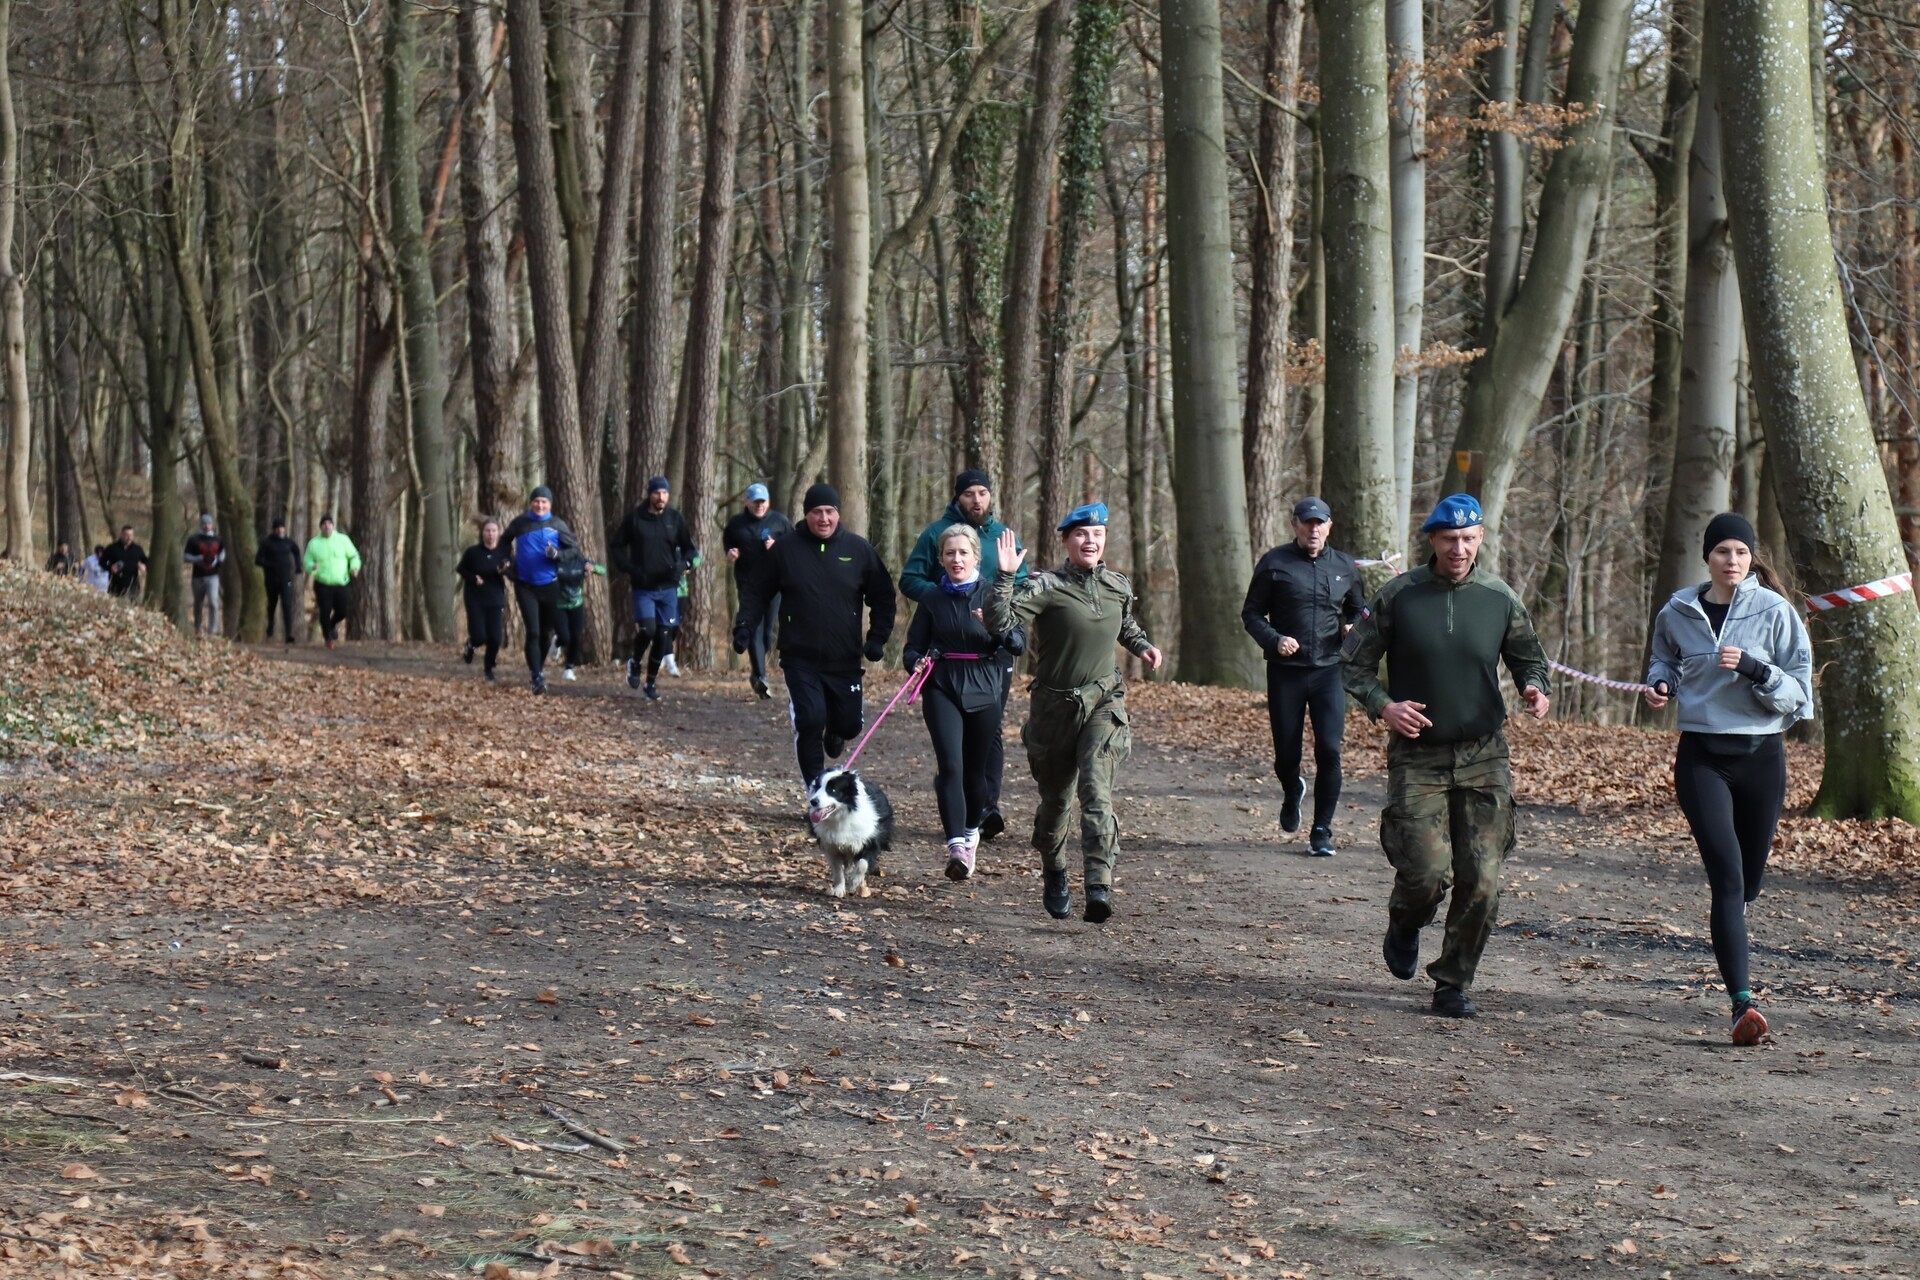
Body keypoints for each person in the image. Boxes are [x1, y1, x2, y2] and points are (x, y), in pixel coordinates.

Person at [1341, 493, 1551, 1019]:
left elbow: (1532, 660)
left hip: (1484, 754)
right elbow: (1353, 666)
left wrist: (1534, 689)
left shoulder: (1499, 597)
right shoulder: (1399, 596)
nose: (1459, 549)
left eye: (1468, 539)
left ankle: (1453, 981)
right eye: (1449, 539)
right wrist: (1384, 707)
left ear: (1480, 539)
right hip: (1418, 756)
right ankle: (1405, 921)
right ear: (1432, 540)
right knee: (1426, 872)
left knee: (1482, 878)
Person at [1645, 512, 1812, 1046]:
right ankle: (1743, 1004)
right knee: (1728, 878)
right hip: (1702, 757)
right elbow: (1663, 662)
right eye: (1722, 552)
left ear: (1751, 557)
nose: (1732, 561)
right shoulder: (1678, 610)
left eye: (1740, 552)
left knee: (1750, 880)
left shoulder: (1775, 612)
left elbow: (1800, 694)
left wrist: (1757, 670)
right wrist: (1659, 686)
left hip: (1762, 755)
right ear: (1708, 557)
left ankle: (1733, 920)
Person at [985, 503, 1164, 924]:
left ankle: (1099, 885)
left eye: (1098, 534)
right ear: (1067, 540)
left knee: (1096, 791)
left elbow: (1126, 624)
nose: (1090, 541)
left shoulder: (1117, 585)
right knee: (1056, 802)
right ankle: (1055, 870)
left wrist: (1143, 646)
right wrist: (1006, 576)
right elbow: (999, 623)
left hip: (1104, 700)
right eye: (1082, 534)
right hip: (1054, 709)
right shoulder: (1046, 586)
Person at [733, 482, 896, 785]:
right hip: (800, 656)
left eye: (830, 512)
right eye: (817, 512)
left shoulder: (858, 550)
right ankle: (814, 791)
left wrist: (877, 638)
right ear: (806, 514)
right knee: (810, 720)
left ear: (838, 514)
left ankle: (835, 731)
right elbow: (756, 592)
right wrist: (744, 627)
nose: (824, 519)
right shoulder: (786, 550)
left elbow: (884, 596)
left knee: (848, 725)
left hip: (844, 657)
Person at [898, 468, 1027, 841]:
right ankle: (970, 816)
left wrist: (999, 610)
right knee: (954, 755)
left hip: (992, 651)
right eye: (969, 493)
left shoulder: (1004, 536)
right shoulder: (935, 533)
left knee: (990, 729)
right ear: (958, 498)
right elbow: (910, 580)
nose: (976, 500)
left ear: (990, 496)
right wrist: (946, 600)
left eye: (982, 493)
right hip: (948, 653)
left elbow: (1024, 583)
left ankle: (987, 806)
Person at [1241, 496, 1368, 857]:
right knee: (1286, 753)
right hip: (1286, 674)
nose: (1314, 529)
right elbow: (1251, 614)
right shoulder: (1274, 563)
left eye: (1320, 523)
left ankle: (1322, 830)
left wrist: (1351, 629)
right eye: (1307, 522)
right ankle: (1291, 787)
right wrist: (1275, 639)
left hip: (1329, 671)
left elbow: (1361, 612)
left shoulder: (1344, 565)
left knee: (1330, 749)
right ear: (1295, 524)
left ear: (1329, 526)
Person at [609, 476, 697, 702]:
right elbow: (616, 547)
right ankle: (635, 662)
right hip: (644, 586)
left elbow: (690, 551)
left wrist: (683, 565)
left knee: (664, 634)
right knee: (647, 629)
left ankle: (650, 682)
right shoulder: (635, 519)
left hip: (668, 587)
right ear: (650, 494)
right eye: (657, 493)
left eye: (665, 493)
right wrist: (630, 568)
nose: (661, 497)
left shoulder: (675, 519)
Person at [502, 485, 579, 695]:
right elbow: (504, 542)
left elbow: (574, 550)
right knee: (533, 631)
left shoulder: (557, 525)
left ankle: (539, 668)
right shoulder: (520, 523)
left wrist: (557, 555)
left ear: (550, 505)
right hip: (525, 585)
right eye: (536, 501)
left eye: (544, 502)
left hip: (550, 585)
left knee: (546, 632)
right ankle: (536, 676)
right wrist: (506, 560)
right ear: (531, 503)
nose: (540, 505)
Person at [722, 483, 794, 699]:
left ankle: (758, 671)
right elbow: (728, 546)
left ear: (768, 502)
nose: (759, 506)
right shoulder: (736, 524)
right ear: (747, 502)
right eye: (755, 502)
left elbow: (793, 548)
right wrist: (731, 554)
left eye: (762, 502)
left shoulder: (779, 522)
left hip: (774, 583)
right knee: (754, 627)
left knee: (768, 633)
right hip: (749, 584)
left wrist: (777, 547)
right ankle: (760, 676)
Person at [456, 518, 512, 682]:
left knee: (495, 638)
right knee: (479, 636)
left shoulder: (503, 553)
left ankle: (488, 669)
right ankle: (471, 645)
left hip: (495, 598)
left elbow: (511, 571)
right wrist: (474, 578)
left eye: (494, 530)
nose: (491, 534)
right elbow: (461, 569)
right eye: (487, 530)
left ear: (498, 533)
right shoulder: (473, 552)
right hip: (475, 598)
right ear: (483, 533)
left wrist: (505, 570)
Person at [303, 514, 362, 649]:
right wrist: (312, 566)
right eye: (324, 524)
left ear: (333, 526)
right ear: (320, 527)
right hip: (322, 583)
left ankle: (333, 623)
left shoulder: (343, 540)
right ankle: (328, 638)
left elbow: (354, 556)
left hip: (341, 582)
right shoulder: (314, 544)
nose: (327, 526)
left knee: (343, 610)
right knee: (324, 610)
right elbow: (306, 561)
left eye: (329, 523)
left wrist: (354, 567)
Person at [552, 545, 606, 681]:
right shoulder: (555, 561)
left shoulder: (581, 561)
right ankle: (558, 642)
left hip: (577, 604)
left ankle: (569, 668)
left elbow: (602, 570)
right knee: (565, 637)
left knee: (576, 636)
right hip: (559, 604)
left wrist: (592, 569)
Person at [255, 518, 303, 644]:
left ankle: (289, 634)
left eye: (282, 527)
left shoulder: (288, 542)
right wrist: (270, 565)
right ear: (274, 529)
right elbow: (258, 560)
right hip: (271, 579)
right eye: (278, 528)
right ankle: (271, 624)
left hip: (286, 579)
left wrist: (298, 566)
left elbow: (296, 552)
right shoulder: (267, 542)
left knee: (287, 605)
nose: (281, 530)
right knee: (272, 604)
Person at [184, 514, 226, 636]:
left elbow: (222, 552)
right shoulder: (193, 539)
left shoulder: (218, 539)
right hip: (197, 576)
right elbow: (186, 556)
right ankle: (198, 627)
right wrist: (199, 558)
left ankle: (213, 630)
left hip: (213, 576)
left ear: (212, 525)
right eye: (204, 523)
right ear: (201, 525)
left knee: (213, 602)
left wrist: (217, 560)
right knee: (198, 603)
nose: (206, 526)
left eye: (208, 523)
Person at [103, 526, 148, 599]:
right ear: (121, 535)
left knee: (132, 608)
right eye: (127, 535)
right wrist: (110, 567)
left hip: (132, 584)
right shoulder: (112, 548)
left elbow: (145, 561)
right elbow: (102, 562)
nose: (129, 537)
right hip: (116, 583)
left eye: (131, 535)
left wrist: (144, 566)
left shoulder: (137, 549)